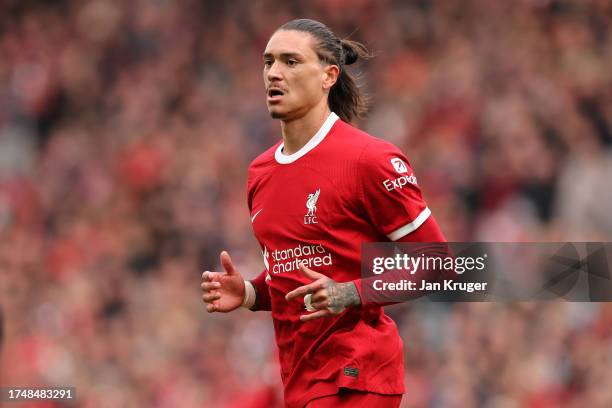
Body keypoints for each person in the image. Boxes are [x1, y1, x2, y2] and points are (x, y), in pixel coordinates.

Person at [201, 18, 446, 408]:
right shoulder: (260, 174)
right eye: (268, 62)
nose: (274, 73)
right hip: (301, 379)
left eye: (291, 61)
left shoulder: (369, 159)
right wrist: (249, 293)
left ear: (329, 75)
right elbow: (294, 277)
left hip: (356, 374)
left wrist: (352, 292)